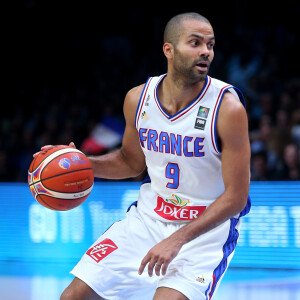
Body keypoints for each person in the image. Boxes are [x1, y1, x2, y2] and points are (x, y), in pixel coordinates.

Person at [37, 12, 251, 300]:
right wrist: (81, 163)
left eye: (210, 45)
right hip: (147, 221)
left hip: (204, 232)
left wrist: (177, 239)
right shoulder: (138, 99)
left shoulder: (228, 108)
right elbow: (130, 162)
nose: (206, 52)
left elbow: (237, 197)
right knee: (72, 297)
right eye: (195, 42)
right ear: (169, 50)